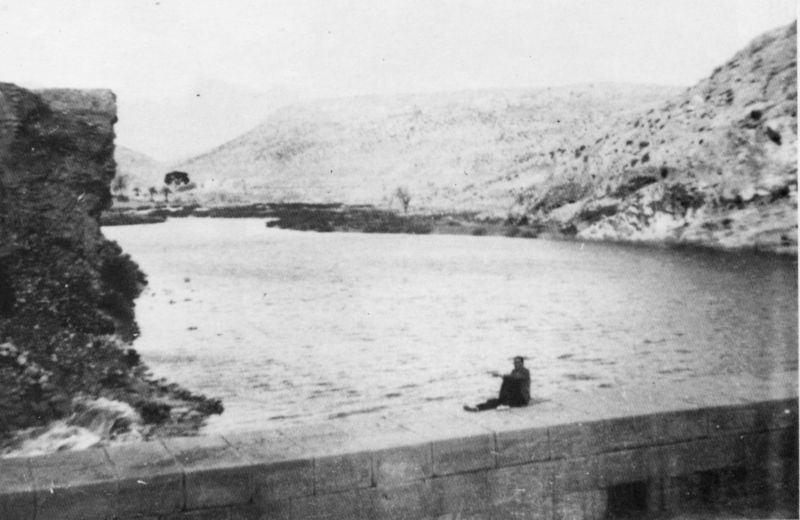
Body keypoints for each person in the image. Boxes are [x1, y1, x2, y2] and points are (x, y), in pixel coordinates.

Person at [464, 356, 530, 411]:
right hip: (514, 397)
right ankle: (477, 408)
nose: (515, 364)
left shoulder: (525, 371)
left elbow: (516, 378)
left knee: (508, 380)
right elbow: (510, 379)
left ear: (522, 363)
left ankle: (504, 402)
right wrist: (500, 376)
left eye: (517, 362)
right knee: (494, 402)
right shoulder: (514, 371)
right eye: (514, 362)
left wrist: (500, 375)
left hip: (522, 399)